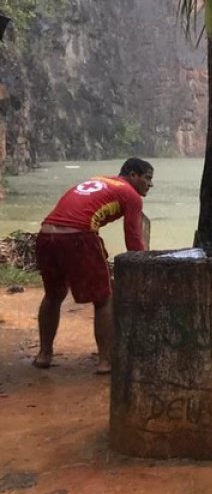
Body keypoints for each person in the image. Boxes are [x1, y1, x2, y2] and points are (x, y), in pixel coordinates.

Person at [33, 157, 154, 373]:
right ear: (133, 175)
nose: (150, 184)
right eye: (147, 178)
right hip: (78, 236)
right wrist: (145, 268)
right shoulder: (132, 195)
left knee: (53, 295)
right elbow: (134, 241)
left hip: (46, 234)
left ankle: (44, 355)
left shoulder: (100, 180)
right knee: (104, 297)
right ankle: (106, 361)